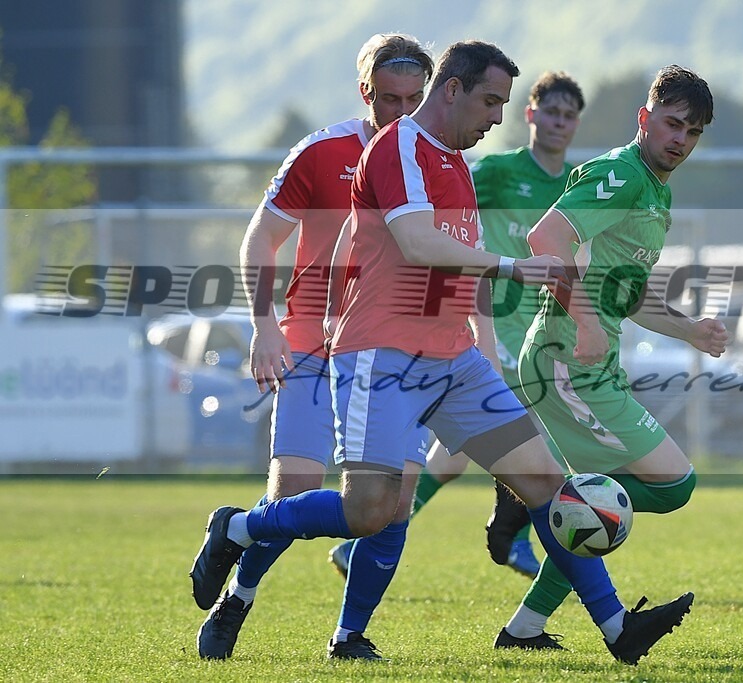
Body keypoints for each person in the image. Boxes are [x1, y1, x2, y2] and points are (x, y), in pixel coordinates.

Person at [189, 40, 695, 666]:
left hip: (455, 362)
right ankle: (238, 529)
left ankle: (619, 629)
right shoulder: (399, 145)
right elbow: (419, 242)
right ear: (452, 90)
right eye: (490, 101)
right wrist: (513, 267)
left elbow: (442, 260)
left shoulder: (456, 162)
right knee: (369, 511)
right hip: (383, 358)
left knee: (547, 485)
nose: (496, 118)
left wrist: (483, 334)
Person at [193, 33, 434, 661]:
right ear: (365, 92)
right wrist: (264, 324)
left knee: (395, 501)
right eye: (389, 99)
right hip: (313, 344)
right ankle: (238, 596)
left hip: (396, 351)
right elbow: (260, 239)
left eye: (414, 100)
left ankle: (349, 637)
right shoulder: (322, 152)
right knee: (293, 491)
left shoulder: (438, 160)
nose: (401, 113)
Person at [492, 65, 729, 651]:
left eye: (693, 132)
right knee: (669, 486)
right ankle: (537, 508)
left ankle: (525, 627)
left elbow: (627, 293)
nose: (680, 139)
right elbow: (546, 239)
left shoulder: (655, 189)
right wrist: (587, 321)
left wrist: (690, 331)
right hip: (565, 360)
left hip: (587, 364)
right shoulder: (621, 175)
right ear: (644, 118)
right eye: (672, 124)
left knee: (598, 502)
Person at [328, 70, 586, 580]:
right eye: (551, 112)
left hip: (535, 325)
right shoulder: (492, 170)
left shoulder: (574, 183)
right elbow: (437, 235)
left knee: (503, 446)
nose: (559, 123)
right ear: (530, 115)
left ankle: (507, 532)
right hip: (488, 320)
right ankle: (506, 533)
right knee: (486, 446)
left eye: (569, 116)